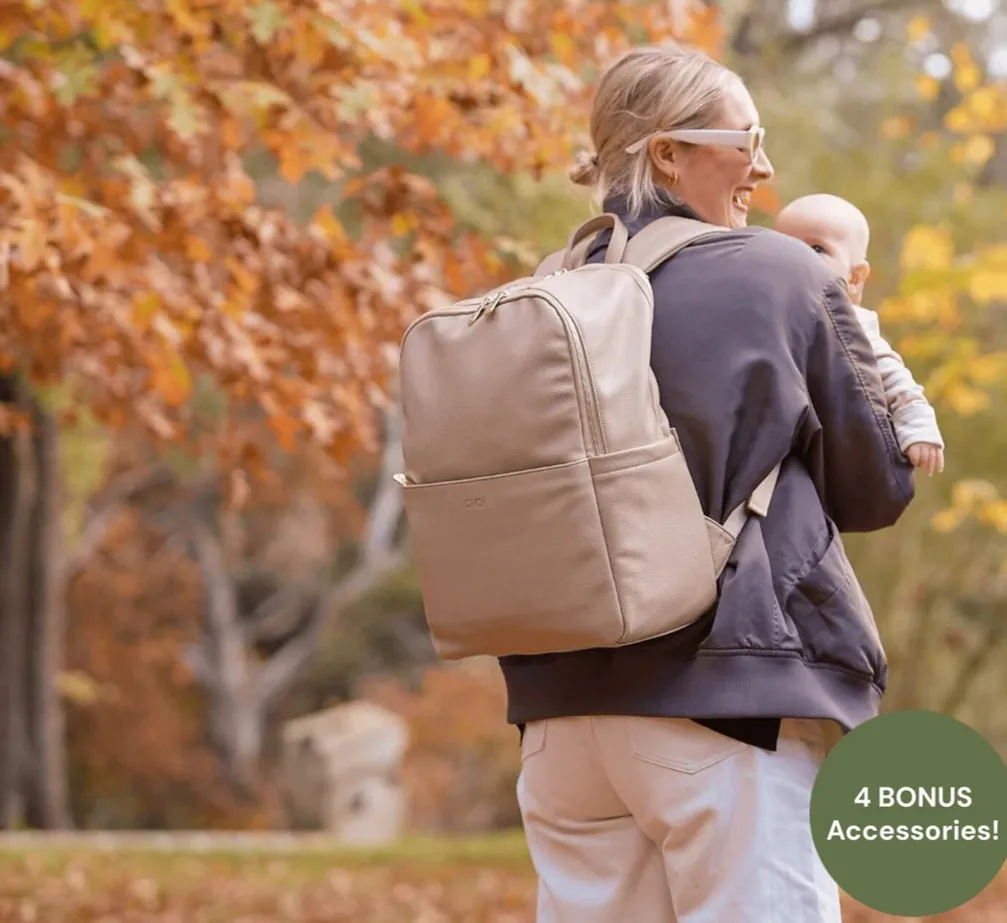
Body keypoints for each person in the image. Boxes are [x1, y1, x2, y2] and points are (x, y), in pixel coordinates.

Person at [497, 41, 916, 923]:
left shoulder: (547, 290)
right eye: (747, 138)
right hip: (723, 708)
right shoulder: (777, 270)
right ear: (667, 153)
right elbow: (878, 485)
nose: (762, 166)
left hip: (560, 724)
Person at [776, 193, 945, 477]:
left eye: (817, 248)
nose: (798, 258)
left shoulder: (850, 323)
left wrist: (918, 427)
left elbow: (893, 376)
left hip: (825, 446)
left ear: (854, 278)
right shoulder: (766, 305)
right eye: (785, 247)